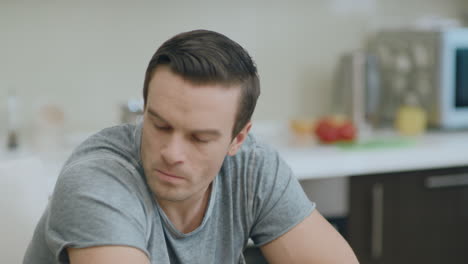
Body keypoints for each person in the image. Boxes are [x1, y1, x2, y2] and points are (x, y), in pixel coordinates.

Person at [24, 29, 359, 264]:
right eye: (159, 125)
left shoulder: (253, 168)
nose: (172, 152)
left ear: (237, 139)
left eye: (200, 138)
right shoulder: (97, 182)